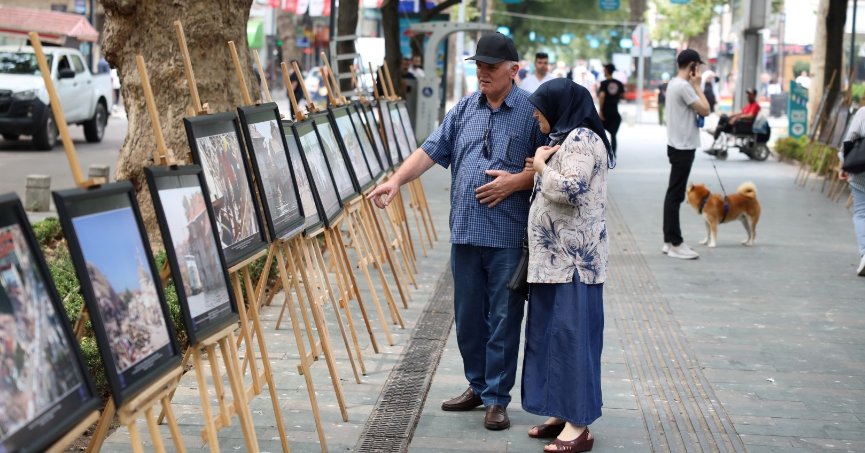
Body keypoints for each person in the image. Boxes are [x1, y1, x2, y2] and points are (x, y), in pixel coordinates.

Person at [367, 32, 547, 430]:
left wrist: (516, 182)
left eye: (490, 66)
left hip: (507, 237)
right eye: (478, 65)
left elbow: (548, 166)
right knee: (468, 319)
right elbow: (430, 150)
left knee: (502, 319)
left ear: (513, 70)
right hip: (464, 233)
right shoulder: (464, 108)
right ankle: (478, 386)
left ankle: (498, 399)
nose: (482, 72)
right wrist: (396, 181)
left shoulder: (532, 112)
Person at [521, 78, 614, 453]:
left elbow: (571, 189)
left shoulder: (580, 138)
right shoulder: (569, 135)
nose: (534, 113)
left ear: (559, 105)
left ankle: (578, 427)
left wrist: (542, 167)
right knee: (550, 337)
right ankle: (560, 412)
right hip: (555, 260)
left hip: (573, 263)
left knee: (572, 340)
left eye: (539, 105)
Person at [662, 49, 710, 260]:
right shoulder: (684, 87)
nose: (698, 70)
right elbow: (706, 109)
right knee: (675, 195)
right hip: (683, 147)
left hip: (676, 145)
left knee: (674, 193)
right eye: (697, 66)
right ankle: (675, 242)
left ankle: (669, 241)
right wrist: (699, 86)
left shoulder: (674, 84)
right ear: (692, 66)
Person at [841, 108, 865, 276]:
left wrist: (843, 164)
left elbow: (849, 139)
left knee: (861, 212)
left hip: (861, 171)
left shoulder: (863, 112)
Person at [597, 63, 624, 155]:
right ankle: (613, 154)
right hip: (615, 113)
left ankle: (601, 153)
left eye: (604, 69)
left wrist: (600, 110)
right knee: (613, 135)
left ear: (607, 70)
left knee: (599, 134)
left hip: (604, 113)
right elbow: (621, 96)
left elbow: (602, 96)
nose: (603, 71)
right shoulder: (619, 83)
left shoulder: (604, 83)